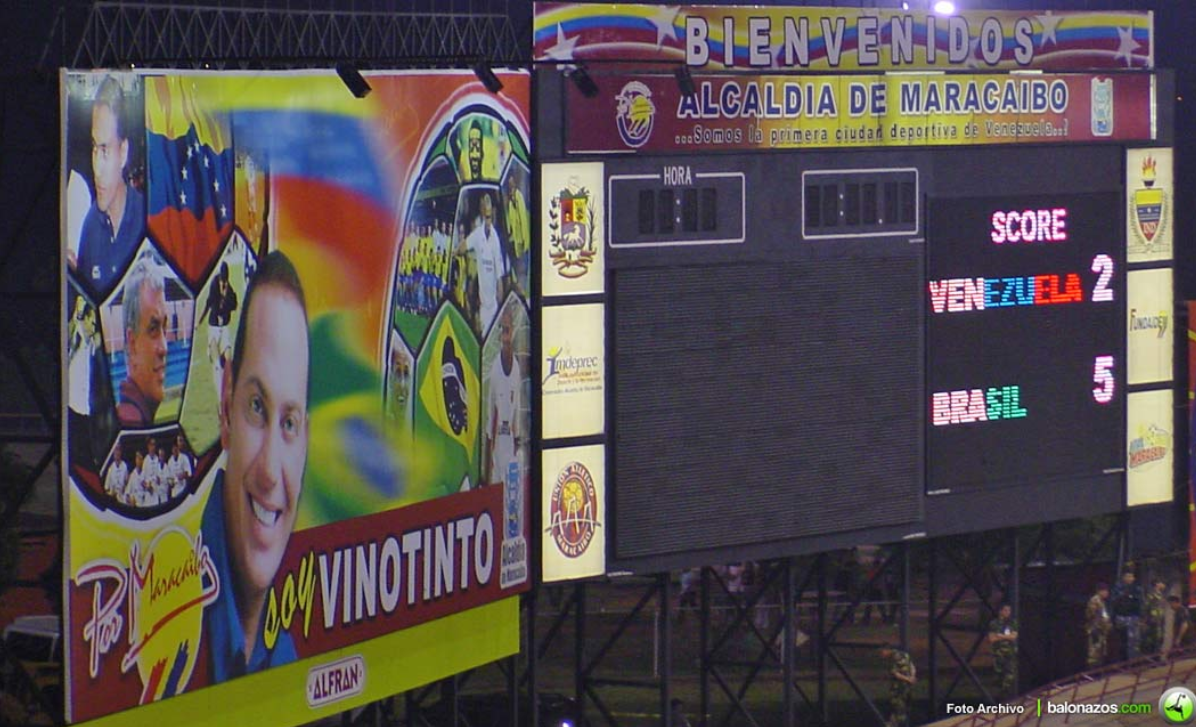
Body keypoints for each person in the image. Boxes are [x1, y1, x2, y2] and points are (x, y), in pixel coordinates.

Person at [202, 250, 309, 682]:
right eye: (256, 407)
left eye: (288, 422)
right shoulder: (170, 642)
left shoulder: (288, 652)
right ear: (226, 407)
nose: (269, 470)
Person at [73, 76, 144, 296]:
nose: (97, 167)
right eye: (95, 149)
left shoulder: (147, 219)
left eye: (105, 150)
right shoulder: (90, 226)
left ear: (123, 152)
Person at [116, 259, 168, 427]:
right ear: (132, 344)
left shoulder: (139, 414)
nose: (164, 348)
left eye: (165, 329)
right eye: (153, 329)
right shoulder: (129, 420)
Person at [458, 192, 507, 334]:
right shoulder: (477, 234)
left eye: (489, 216)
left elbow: (499, 277)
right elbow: (462, 247)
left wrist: (501, 309)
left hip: (493, 307)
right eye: (485, 215)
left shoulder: (495, 240)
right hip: (482, 306)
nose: (487, 219)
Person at [200, 261, 238, 404]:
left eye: (225, 281)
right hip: (214, 328)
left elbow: (234, 304)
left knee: (228, 361)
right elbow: (209, 303)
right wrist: (200, 320)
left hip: (225, 328)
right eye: (223, 281)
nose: (224, 283)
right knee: (217, 366)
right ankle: (221, 399)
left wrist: (228, 299)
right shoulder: (214, 285)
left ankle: (231, 394)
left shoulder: (230, 290)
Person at [1110, 569, 1144, 660]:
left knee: (1133, 642)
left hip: (1133, 618)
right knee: (1120, 641)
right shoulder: (1118, 588)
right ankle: (1119, 662)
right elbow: (1113, 603)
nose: (1129, 578)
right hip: (1120, 617)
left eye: (1131, 576)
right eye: (1127, 576)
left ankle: (1132, 662)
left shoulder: (1137, 589)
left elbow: (1140, 603)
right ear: (1123, 577)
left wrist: (1140, 617)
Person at [987, 603, 1018, 699]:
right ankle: (998, 697)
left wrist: (1000, 636)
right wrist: (1005, 637)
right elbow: (992, 639)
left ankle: (1007, 694)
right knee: (998, 675)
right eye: (1005, 610)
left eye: (1009, 611)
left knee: (1010, 674)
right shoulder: (994, 624)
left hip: (1010, 653)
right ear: (1000, 611)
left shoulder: (1012, 623)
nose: (1008, 613)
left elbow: (1013, 637)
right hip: (998, 653)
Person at [880, 644, 916, 727]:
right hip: (907, 687)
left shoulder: (892, 658)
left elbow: (895, 673)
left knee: (898, 707)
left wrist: (907, 679)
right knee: (903, 707)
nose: (882, 654)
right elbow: (912, 666)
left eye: (882, 652)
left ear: (887, 649)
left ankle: (894, 724)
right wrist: (912, 677)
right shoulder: (905, 655)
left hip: (899, 687)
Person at [1086, 582, 1112, 669]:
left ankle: (1099, 673)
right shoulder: (1094, 600)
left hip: (1101, 630)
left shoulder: (1101, 601)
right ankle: (1092, 675)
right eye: (1105, 591)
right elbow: (1091, 615)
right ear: (1100, 591)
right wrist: (1099, 625)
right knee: (1094, 653)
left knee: (1101, 652)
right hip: (1095, 630)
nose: (1107, 593)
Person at [1141, 578, 1168, 656]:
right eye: (1161, 583)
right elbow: (1146, 608)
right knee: (1154, 640)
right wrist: (1146, 621)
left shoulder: (1161, 595)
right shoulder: (1151, 595)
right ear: (1157, 584)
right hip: (1153, 622)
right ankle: (1154, 658)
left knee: (1160, 639)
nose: (1163, 585)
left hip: (1160, 620)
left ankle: (1158, 657)